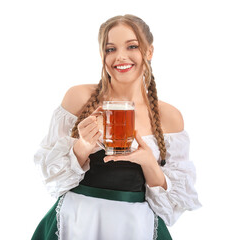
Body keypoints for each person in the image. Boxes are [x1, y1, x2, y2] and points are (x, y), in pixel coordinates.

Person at [32, 14, 201, 240]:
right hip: (76, 223)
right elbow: (52, 180)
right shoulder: (78, 97)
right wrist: (83, 145)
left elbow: (170, 208)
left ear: (149, 52)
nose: (120, 56)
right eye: (110, 49)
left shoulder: (168, 117)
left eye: (132, 46)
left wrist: (148, 161)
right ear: (102, 55)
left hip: (135, 227)